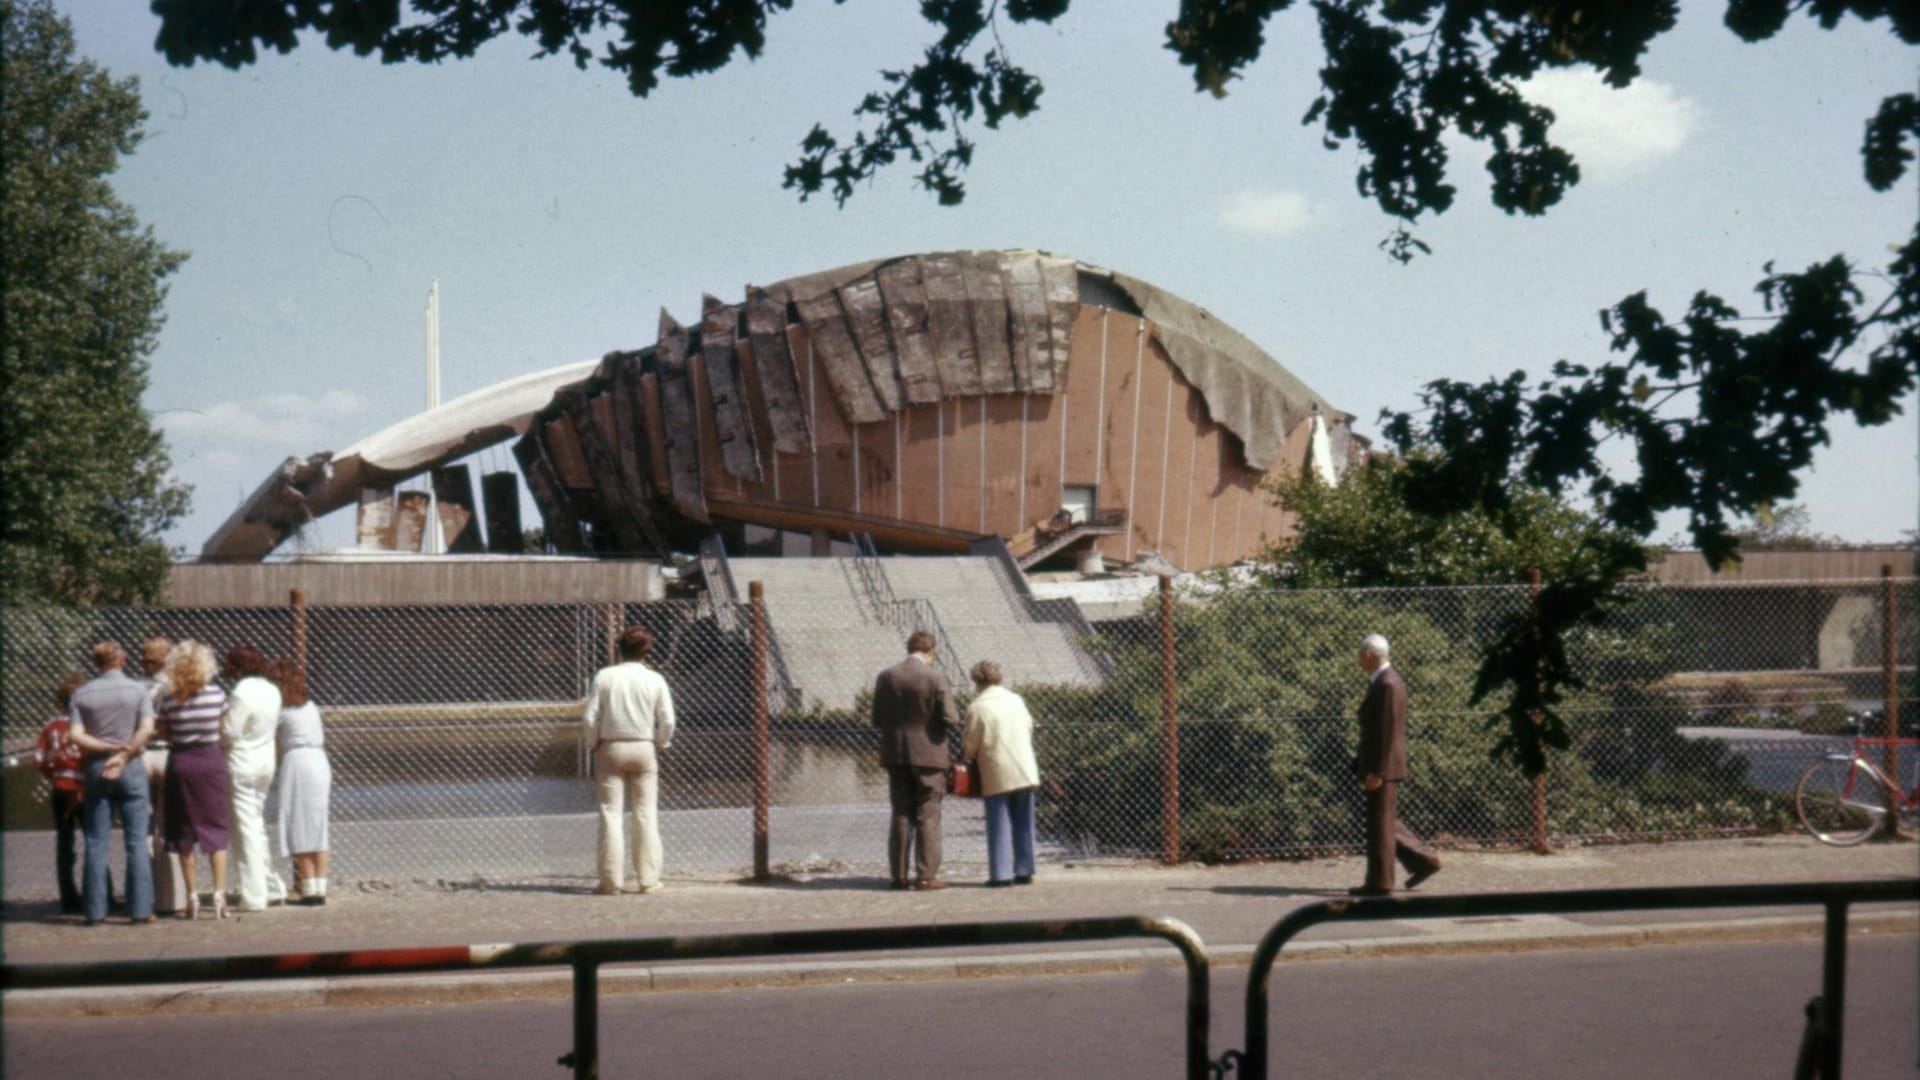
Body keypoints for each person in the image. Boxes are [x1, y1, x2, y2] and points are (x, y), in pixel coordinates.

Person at [67, 642, 157, 926]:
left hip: (97, 765)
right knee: (136, 841)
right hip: (130, 764)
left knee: (95, 840)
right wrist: (125, 750)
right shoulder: (138, 690)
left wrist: (104, 747)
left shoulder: (82, 693)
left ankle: (94, 911)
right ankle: (140, 909)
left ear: (95, 662)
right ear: (122, 658)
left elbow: (76, 735)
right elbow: (147, 728)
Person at [582, 626, 676, 895]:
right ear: (647, 651)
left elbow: (589, 718)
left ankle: (611, 882)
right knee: (646, 813)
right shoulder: (655, 679)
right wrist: (661, 742)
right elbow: (668, 719)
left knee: (611, 813)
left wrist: (594, 743)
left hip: (611, 746)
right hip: (644, 747)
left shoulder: (605, 676)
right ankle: (648, 880)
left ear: (619, 648)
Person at [1351, 633, 1441, 897]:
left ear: (1368, 655)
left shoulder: (1387, 684)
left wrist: (1377, 771)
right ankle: (1423, 860)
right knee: (1384, 820)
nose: (1359, 660)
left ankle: (1380, 882)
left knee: (1380, 823)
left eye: (1360, 655)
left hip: (1383, 766)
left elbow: (1387, 732)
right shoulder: (1384, 681)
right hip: (1382, 764)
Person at [872, 631, 958, 891]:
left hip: (896, 754)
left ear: (909, 648)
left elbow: (877, 719)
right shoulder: (935, 677)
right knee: (928, 815)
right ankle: (925, 876)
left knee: (900, 813)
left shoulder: (886, 676)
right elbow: (951, 718)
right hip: (930, 755)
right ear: (930, 651)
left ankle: (898, 876)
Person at [156, 641, 233, 919]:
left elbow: (164, 733)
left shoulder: (168, 698)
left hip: (181, 762)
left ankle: (191, 896)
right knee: (216, 826)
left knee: (183, 828)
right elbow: (222, 728)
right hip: (210, 761)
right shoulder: (216, 694)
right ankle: (219, 894)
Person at [961, 661, 1041, 888]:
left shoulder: (977, 707)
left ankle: (1001, 874)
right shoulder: (1016, 700)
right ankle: (1025, 870)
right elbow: (1028, 727)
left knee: (999, 821)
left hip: (997, 769)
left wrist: (966, 753)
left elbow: (971, 745)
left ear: (976, 680)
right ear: (998, 678)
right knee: (1024, 820)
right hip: (1025, 766)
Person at [223, 644, 285, 912]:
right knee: (256, 824)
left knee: (245, 828)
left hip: (241, 762)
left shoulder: (241, 692)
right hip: (265, 761)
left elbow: (229, 732)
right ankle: (271, 886)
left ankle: (254, 895)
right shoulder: (271, 689)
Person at [270, 661, 333, 906]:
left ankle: (308, 887)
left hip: (297, 761)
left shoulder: (282, 713)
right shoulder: (311, 707)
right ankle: (320, 885)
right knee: (318, 823)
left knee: (298, 822)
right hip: (319, 760)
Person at [35, 673, 92, 914]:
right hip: (84, 788)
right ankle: (100, 893)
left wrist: (54, 776)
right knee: (95, 840)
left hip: (60, 787)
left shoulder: (51, 725)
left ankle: (68, 897)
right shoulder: (87, 725)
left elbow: (39, 759)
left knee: (64, 842)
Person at [139, 636, 185, 915]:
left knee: (144, 824)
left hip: (143, 753)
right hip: (168, 752)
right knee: (172, 824)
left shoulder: (142, 687)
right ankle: (175, 897)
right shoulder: (178, 686)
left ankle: (149, 894)